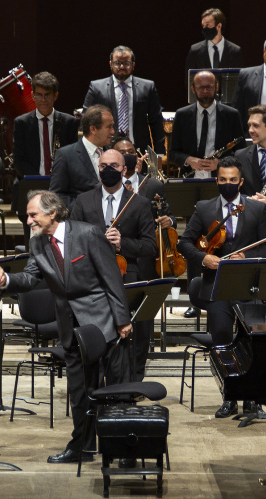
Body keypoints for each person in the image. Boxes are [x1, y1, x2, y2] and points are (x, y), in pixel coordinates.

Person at [0, 191, 131, 463]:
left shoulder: (88, 234)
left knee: (117, 390)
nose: (28, 221)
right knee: (79, 391)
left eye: (33, 215)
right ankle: (81, 447)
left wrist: (122, 319)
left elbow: (112, 278)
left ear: (52, 212)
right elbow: (30, 278)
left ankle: (124, 449)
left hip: (103, 322)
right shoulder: (37, 243)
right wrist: (6, 279)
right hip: (70, 327)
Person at [176, 157, 266, 419]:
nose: (228, 184)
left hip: (248, 286)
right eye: (223, 180)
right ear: (216, 181)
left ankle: (252, 400)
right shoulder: (204, 208)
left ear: (241, 182)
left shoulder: (256, 209)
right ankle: (229, 397)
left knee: (252, 341)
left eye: (233, 180)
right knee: (221, 339)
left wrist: (248, 257)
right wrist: (204, 258)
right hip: (216, 286)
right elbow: (184, 243)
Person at [69, 149, 155, 387]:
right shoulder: (83, 201)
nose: (108, 170)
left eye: (114, 166)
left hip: (126, 277)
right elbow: (72, 240)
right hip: (92, 279)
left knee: (128, 337)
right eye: (103, 166)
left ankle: (127, 387)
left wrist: (122, 243)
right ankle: (93, 387)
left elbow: (150, 245)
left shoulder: (139, 203)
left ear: (124, 170)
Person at [112, 138, 176, 376]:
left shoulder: (153, 185)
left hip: (145, 262)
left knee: (142, 323)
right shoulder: (109, 186)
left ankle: (137, 374)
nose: (128, 155)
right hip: (118, 262)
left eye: (131, 151)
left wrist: (169, 220)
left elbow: (167, 213)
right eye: (122, 152)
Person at [83, 46, 165, 154]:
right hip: (106, 150)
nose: (122, 66)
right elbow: (86, 120)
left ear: (133, 65)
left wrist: (159, 153)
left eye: (126, 63)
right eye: (117, 63)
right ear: (111, 64)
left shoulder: (147, 87)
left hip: (139, 151)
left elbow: (156, 122)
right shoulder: (97, 88)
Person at [170, 71, 245, 178]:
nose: (205, 91)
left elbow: (242, 153)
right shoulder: (182, 115)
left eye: (209, 87)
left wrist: (221, 163)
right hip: (190, 178)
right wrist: (188, 160)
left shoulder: (232, 115)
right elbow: (173, 153)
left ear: (217, 87)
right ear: (193, 89)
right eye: (200, 87)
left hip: (222, 178)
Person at [12, 72, 79, 178]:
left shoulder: (69, 123)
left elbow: (73, 158)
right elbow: (19, 159)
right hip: (31, 180)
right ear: (32, 96)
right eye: (39, 95)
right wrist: (38, 180)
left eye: (47, 95)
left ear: (55, 95)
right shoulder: (21, 123)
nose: (43, 100)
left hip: (60, 180)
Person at [49, 105, 116, 206]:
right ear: (93, 129)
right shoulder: (66, 155)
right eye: (109, 127)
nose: (113, 131)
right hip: (80, 215)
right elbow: (56, 195)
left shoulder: (113, 154)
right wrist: (82, 209)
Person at [184, 8, 244, 91]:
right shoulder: (195, 50)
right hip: (203, 97)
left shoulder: (235, 51)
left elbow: (240, 81)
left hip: (227, 98)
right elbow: (189, 81)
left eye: (207, 25)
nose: (204, 29)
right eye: (203, 26)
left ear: (219, 26)